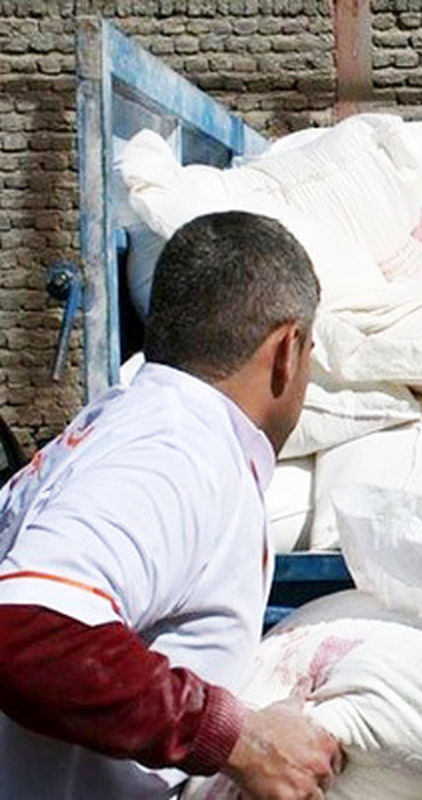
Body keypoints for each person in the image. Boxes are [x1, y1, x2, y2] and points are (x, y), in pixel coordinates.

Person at [0, 211, 343, 799]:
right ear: (287, 350)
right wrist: (237, 740)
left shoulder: (136, 427)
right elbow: (25, 626)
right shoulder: (178, 452)